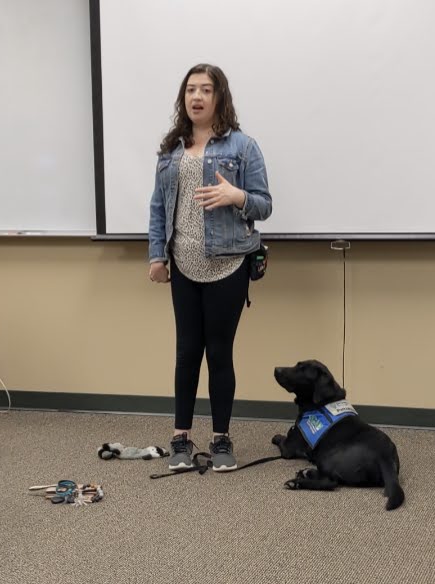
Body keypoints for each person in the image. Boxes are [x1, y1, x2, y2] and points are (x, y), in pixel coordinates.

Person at [147, 63, 272, 472]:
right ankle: (180, 438)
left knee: (219, 353)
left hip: (228, 264)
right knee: (186, 353)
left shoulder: (243, 147)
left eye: (205, 89)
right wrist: (156, 256)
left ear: (219, 97)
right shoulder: (172, 150)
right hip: (183, 265)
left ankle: (221, 439)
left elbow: (264, 205)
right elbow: (158, 209)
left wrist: (237, 196)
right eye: (190, 90)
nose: (196, 97)